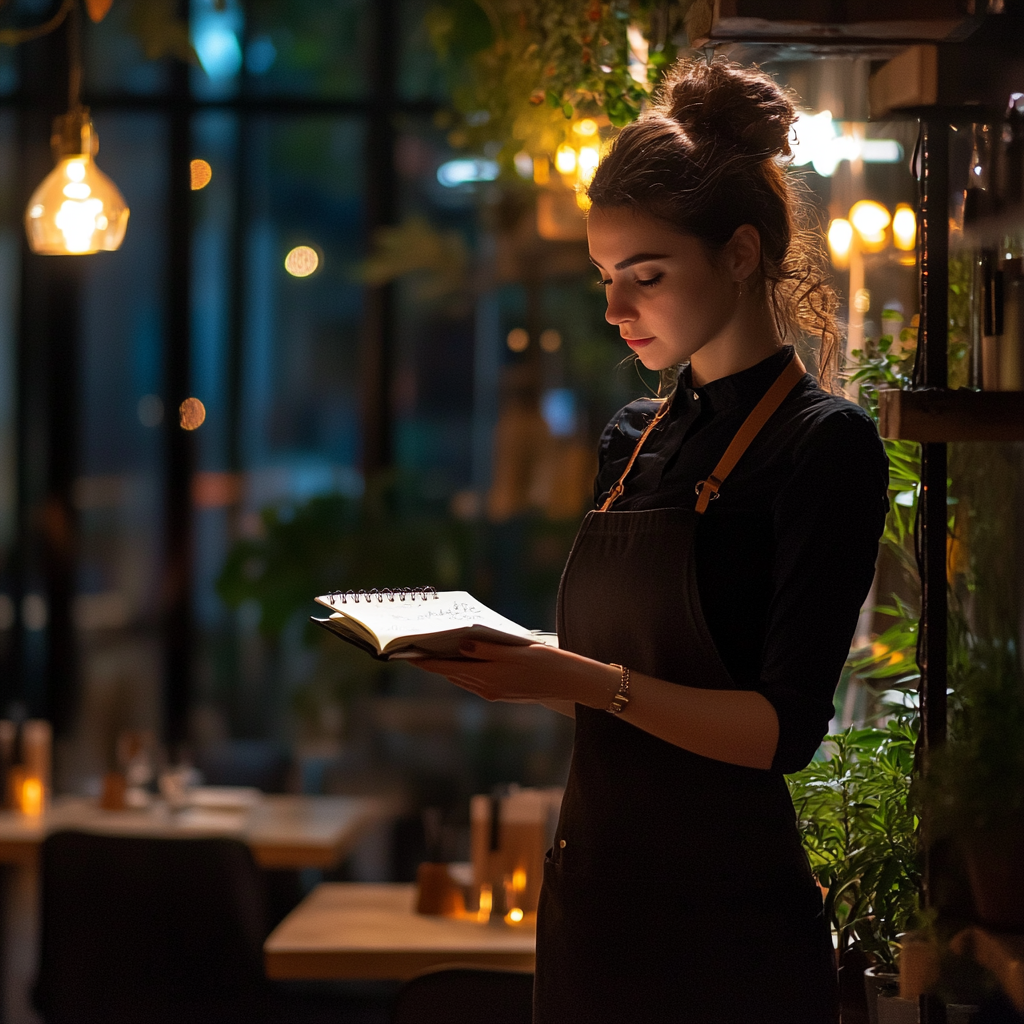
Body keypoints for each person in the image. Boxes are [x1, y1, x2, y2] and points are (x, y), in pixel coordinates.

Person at [416, 58, 889, 1024]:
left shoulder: (824, 446)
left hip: (725, 933)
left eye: (647, 275)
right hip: (591, 906)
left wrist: (577, 681)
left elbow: (780, 732)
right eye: (604, 277)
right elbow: (623, 678)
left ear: (743, 253)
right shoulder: (635, 438)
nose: (614, 309)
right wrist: (506, 657)